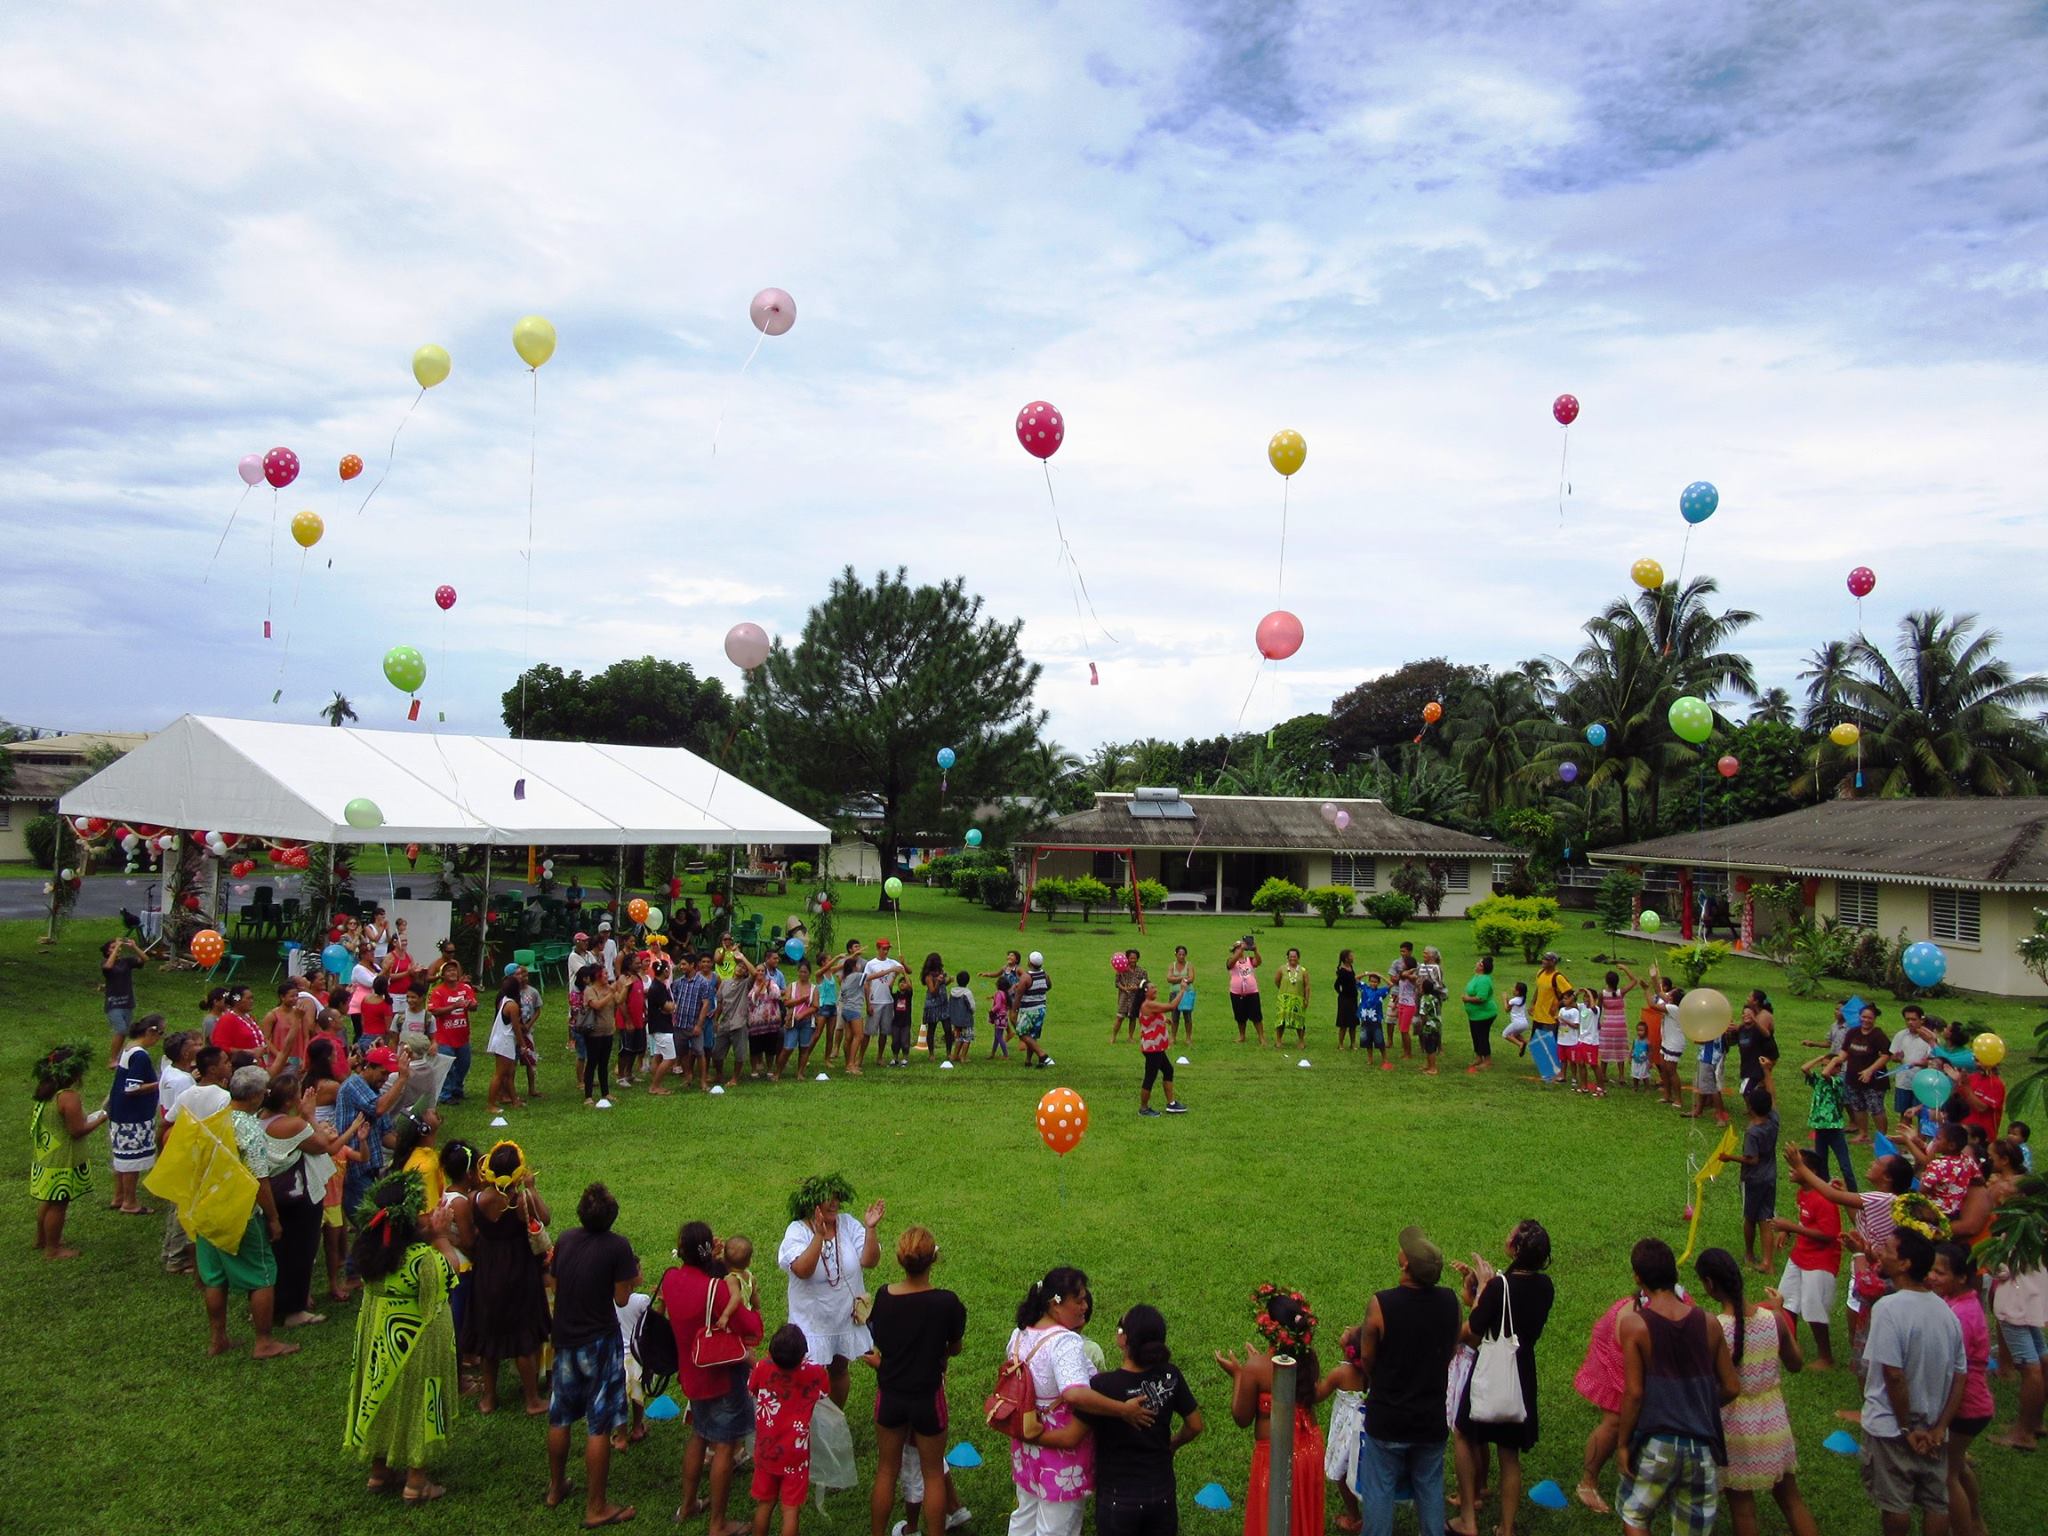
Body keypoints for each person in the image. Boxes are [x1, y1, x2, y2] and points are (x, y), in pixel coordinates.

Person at [1005, 1266, 1152, 1536]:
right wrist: (1122, 1410)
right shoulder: (1064, 1342)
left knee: (1024, 1516)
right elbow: (1074, 1393)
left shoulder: (1020, 1334)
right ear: (1055, 1304)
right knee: (1058, 1527)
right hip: (1061, 1451)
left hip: (1027, 1439)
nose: (1085, 1306)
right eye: (1079, 1300)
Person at [344, 1170, 460, 1505]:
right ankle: (416, 1482)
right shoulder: (422, 1259)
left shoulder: (370, 1253)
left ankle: (379, 1472)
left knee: (383, 1397)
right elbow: (450, 1273)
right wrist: (440, 1236)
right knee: (417, 1401)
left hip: (380, 1340)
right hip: (417, 1342)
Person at [1614, 1237, 1740, 1536]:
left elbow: (1634, 1393)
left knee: (1635, 1513)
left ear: (1638, 1278)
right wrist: (1697, 1404)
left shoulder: (1635, 1325)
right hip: (1702, 1445)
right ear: (1675, 1273)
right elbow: (1732, 1386)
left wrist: (1622, 1444)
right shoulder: (1709, 1322)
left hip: (1657, 1442)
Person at [1692, 1248, 1819, 1536]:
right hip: (1774, 1420)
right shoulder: (1773, 1320)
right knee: (1791, 1500)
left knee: (1742, 1508)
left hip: (1734, 1428)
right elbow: (1796, 1363)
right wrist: (1779, 1312)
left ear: (1709, 1284)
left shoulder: (1714, 1328)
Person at [1351, 1226, 1461, 1536]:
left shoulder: (1381, 1304)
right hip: (1430, 1417)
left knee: (1380, 1490)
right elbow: (1451, 1350)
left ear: (1406, 1266)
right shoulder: (1451, 1302)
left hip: (1388, 1417)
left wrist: (1381, 1381)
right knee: (1429, 1488)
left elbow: (1367, 1358)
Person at [543, 1182, 640, 1528]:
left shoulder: (566, 1239)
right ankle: (596, 1506)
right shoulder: (618, 1247)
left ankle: (556, 1488)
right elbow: (622, 1300)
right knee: (598, 1423)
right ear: (612, 1216)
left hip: (565, 1336)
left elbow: (554, 1281)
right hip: (599, 1340)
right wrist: (632, 1279)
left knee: (560, 1415)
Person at [1859, 1230, 1967, 1536]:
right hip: (1934, 1432)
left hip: (1892, 1429)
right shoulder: (1947, 1313)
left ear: (1905, 1263)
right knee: (1935, 1503)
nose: (1881, 1252)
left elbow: (1893, 1375)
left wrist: (1908, 1428)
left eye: (1889, 1250)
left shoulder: (1888, 1309)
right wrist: (1940, 1427)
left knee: (1896, 1503)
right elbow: (1960, 1376)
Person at [1449, 1220, 1554, 1536]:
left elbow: (1474, 1330)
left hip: (1491, 1370)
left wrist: (1483, 1288)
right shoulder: (1545, 1286)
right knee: (1510, 1455)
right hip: (1521, 1371)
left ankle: (1468, 1518)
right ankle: (1507, 1528)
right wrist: (1484, 1284)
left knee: (1464, 1435)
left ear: (1516, 1248)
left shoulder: (1498, 1287)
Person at [865, 1225, 968, 1536]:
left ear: (899, 1260)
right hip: (927, 1396)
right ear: (933, 1259)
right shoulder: (947, 1302)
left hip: (890, 1394)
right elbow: (955, 1345)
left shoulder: (883, 1297)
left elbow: (878, 1339)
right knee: (933, 1473)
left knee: (886, 1469)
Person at [199, 1065, 300, 1360]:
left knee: (214, 1277)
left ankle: (218, 1339)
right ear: (257, 1095)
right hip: (240, 1212)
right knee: (262, 1275)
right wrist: (273, 1218)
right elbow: (259, 1180)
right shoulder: (250, 1130)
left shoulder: (211, 1122)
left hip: (208, 1207)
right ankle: (264, 1341)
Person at [668, 1220, 763, 1533]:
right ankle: (718, 1524)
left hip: (691, 1373)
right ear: (709, 1250)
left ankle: (688, 1504)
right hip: (722, 1376)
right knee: (724, 1445)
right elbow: (752, 1329)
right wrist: (756, 1301)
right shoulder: (718, 1289)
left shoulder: (671, 1279)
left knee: (699, 1435)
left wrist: (714, 1261)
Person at [1086, 1304, 1203, 1536]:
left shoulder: (1102, 1386)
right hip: (1161, 1493)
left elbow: (1077, 1434)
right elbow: (1195, 1425)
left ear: (1124, 1339)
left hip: (1117, 1498)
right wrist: (1173, 1445)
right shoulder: (1170, 1376)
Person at [462, 1140, 552, 1415]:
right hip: (518, 1269)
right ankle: (532, 1399)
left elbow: (469, 1237)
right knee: (522, 1337)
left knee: (490, 1335)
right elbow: (545, 1219)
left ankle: (489, 1398)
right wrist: (532, 1188)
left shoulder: (474, 1200)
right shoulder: (520, 1201)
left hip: (487, 1269)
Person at [779, 1174, 884, 1406]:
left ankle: (835, 1420)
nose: (835, 1204)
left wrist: (870, 1229)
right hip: (811, 1323)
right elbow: (802, 1270)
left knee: (839, 1369)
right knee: (807, 1375)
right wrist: (819, 1235)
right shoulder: (797, 1231)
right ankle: (805, 1424)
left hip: (842, 1318)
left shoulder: (847, 1223)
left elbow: (870, 1261)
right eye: (829, 1199)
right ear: (811, 1203)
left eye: (838, 1199)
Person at [262, 1070, 343, 1329]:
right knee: (300, 1252)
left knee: (276, 1253)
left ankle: (269, 1305)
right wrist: (309, 1115)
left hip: (271, 1197)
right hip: (297, 1197)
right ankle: (293, 1310)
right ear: (288, 1103)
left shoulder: (259, 1119)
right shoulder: (294, 1125)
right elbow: (322, 1144)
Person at [1929, 1243, 1991, 1536]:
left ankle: (1965, 1528)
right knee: (1958, 1466)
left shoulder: (1961, 1315)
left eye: (1939, 1272)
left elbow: (1955, 1372)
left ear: (1963, 1277)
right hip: (1974, 1405)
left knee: (1947, 1476)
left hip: (1965, 1407)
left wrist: (1940, 1421)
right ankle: (1976, 1523)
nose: (1932, 1277)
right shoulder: (1961, 1303)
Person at [29, 1044, 109, 1259]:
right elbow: (77, 1131)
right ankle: (53, 1249)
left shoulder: (45, 1090)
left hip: (46, 1154)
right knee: (59, 1202)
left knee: (48, 1198)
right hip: (62, 1158)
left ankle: (42, 1239)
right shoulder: (68, 1096)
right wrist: (101, 1118)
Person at [752, 1324, 830, 1536]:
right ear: (803, 1354)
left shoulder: (762, 1367)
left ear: (771, 1352)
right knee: (790, 1510)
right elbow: (824, 1393)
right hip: (796, 1453)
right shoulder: (815, 1373)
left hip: (766, 1449)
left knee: (765, 1504)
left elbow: (753, 1388)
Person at [1770, 1147, 1843, 1369]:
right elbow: (1807, 1221)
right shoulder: (1803, 1193)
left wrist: (1791, 1227)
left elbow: (1828, 1235)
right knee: (1785, 1299)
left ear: (1810, 1170)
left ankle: (1825, 1357)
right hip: (1801, 1255)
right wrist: (1790, 1230)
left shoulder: (1824, 1200)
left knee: (1813, 1308)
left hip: (1820, 1262)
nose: (1790, 1170)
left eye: (1795, 1166)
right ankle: (1789, 1345)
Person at [1570, 1294, 1632, 1514]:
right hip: (1619, 1359)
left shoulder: (1683, 1304)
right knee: (1615, 1420)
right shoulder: (1627, 1316)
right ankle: (1588, 1482)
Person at [106, 1012, 165, 1213]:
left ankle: (119, 1195)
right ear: (151, 1032)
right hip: (133, 1116)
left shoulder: (128, 1048)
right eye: (161, 1033)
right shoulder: (140, 1055)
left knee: (121, 1156)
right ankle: (130, 1202)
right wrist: (160, 1083)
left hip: (119, 1112)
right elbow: (132, 1088)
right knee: (132, 1158)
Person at [1725, 1089, 1780, 1270]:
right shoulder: (1773, 1122)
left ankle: (1749, 1254)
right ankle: (1767, 1262)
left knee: (1750, 1217)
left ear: (1750, 1107)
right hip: (1769, 1176)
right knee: (1766, 1218)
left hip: (1753, 1179)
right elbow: (1774, 1103)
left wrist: (1729, 1157)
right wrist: (1767, 1072)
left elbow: (1752, 1159)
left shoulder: (1753, 1132)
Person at [427, 962, 476, 1104]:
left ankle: (457, 1089)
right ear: (443, 975)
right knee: (447, 1066)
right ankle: (445, 1094)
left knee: (464, 1064)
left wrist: (470, 1005)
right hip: (444, 1036)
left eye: (454, 970)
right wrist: (453, 1006)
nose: (452, 973)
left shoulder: (465, 988)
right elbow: (434, 1011)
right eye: (448, 971)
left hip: (462, 1035)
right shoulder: (437, 991)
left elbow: (474, 1004)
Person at [1135, 984, 1187, 1117]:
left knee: (1168, 1070)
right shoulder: (1148, 1005)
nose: (1156, 989)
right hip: (1152, 1049)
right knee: (1150, 1077)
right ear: (1146, 991)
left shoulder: (1150, 1005)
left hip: (1156, 1048)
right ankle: (1144, 1108)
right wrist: (1182, 990)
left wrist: (1164, 1019)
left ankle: (1171, 1103)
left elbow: (1153, 1017)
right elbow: (1171, 1007)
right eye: (1153, 988)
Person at [1842, 1002, 1891, 1143]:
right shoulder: (1852, 1032)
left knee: (1876, 1108)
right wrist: (1836, 1061)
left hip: (1874, 1080)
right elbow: (1844, 1051)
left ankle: (1882, 1138)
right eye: (1863, 1017)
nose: (1866, 1020)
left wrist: (1870, 1070)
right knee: (1857, 1106)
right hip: (1852, 1076)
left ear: (1874, 1019)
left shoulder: (1878, 1035)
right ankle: (1863, 1133)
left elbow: (1886, 1055)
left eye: (1869, 1018)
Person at [577, 962, 622, 1108]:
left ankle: (605, 1092)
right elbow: (596, 1005)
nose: (607, 976)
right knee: (592, 1063)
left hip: (608, 1031)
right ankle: (588, 1095)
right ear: (597, 975)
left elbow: (619, 1001)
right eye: (605, 974)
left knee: (604, 1063)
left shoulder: (609, 988)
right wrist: (610, 993)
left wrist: (624, 987)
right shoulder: (590, 991)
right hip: (594, 1033)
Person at [484, 966, 527, 1117]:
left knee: (509, 1073)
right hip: (505, 1041)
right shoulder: (512, 1006)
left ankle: (514, 1100)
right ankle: (490, 1104)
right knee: (500, 1074)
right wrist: (523, 1044)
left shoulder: (504, 1001)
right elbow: (516, 1028)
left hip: (502, 1040)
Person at [101, 935, 148, 1067]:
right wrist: (117, 948)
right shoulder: (105, 963)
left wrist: (134, 947)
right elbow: (108, 967)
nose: (116, 948)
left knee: (125, 1031)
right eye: (112, 947)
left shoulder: (126, 962)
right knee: (121, 1030)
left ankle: (120, 1056)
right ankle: (112, 1059)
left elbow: (145, 959)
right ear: (107, 951)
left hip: (127, 1003)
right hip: (113, 1004)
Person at [1013, 952, 1054, 1068]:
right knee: (1033, 1035)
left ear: (1029, 962)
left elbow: (1018, 995)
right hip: (1041, 1008)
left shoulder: (1026, 977)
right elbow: (1049, 986)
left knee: (1022, 1033)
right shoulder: (1045, 974)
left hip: (1028, 1010)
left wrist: (1014, 1010)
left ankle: (1042, 1055)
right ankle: (1028, 1060)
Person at [1460, 956, 1497, 1075]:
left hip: (1484, 1014)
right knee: (1475, 1035)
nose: (1476, 964)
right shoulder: (1477, 976)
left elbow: (1481, 998)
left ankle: (1487, 1060)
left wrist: (1467, 999)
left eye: (1479, 963)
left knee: (1482, 1036)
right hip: (1474, 1015)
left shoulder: (1484, 980)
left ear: (1482, 967)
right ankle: (1478, 1057)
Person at [1226, 937, 1264, 1046]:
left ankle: (1261, 1037)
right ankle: (1242, 1035)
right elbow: (1230, 964)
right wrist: (1240, 951)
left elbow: (1258, 962)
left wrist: (1255, 950)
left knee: (1256, 1015)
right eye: (1237, 949)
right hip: (1236, 993)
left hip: (1252, 992)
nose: (1240, 950)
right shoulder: (1231, 961)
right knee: (1240, 1016)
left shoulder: (1249, 960)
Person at [1272, 948, 1309, 1048]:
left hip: (1298, 999)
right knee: (1281, 1020)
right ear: (1287, 957)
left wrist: (1306, 999)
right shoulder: (1282, 969)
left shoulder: (1303, 971)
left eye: (1295, 956)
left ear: (1298, 958)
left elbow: (1307, 986)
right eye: (1291, 956)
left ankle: (1301, 1041)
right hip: (1284, 999)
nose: (1293, 958)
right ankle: (1279, 1040)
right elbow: (1277, 981)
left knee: (1299, 1021)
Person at [1112, 949, 1147, 1045]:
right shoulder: (1121, 970)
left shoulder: (1142, 971)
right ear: (1127, 959)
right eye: (1131, 958)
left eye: (1135, 958)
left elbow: (1145, 984)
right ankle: (1113, 1037)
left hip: (1135, 998)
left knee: (1133, 1018)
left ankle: (1130, 1037)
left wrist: (1137, 987)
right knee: (1119, 1017)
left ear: (1138, 959)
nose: (1133, 960)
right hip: (1124, 997)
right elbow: (1117, 983)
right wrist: (1124, 988)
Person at [1358, 971, 1390, 1069]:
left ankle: (1384, 1059)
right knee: (1367, 1041)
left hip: (1376, 1020)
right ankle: (1370, 1058)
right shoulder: (1364, 988)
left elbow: (1390, 984)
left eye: (1375, 982)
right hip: (1365, 1019)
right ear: (1369, 981)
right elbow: (1355, 979)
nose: (1373, 983)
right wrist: (1367, 973)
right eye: (1371, 981)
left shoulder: (1380, 992)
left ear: (1378, 983)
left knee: (1379, 1040)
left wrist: (1381, 975)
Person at [1167, 945, 1195, 1044]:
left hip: (1187, 993)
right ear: (1176, 955)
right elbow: (1169, 978)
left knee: (1187, 1016)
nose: (1182, 956)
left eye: (1183, 954)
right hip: (1174, 993)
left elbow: (1191, 978)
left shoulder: (1189, 965)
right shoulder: (1172, 965)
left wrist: (1176, 978)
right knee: (1175, 1017)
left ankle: (1188, 1038)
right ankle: (1173, 1037)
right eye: (1180, 954)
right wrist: (1182, 978)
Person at [947, 971, 976, 1065]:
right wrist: (972, 1012)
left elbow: (950, 1004)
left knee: (958, 1038)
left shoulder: (952, 991)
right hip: (966, 1020)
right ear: (967, 981)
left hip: (955, 1019)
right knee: (967, 1038)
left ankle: (955, 1055)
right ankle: (963, 1057)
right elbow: (972, 1006)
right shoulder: (967, 993)